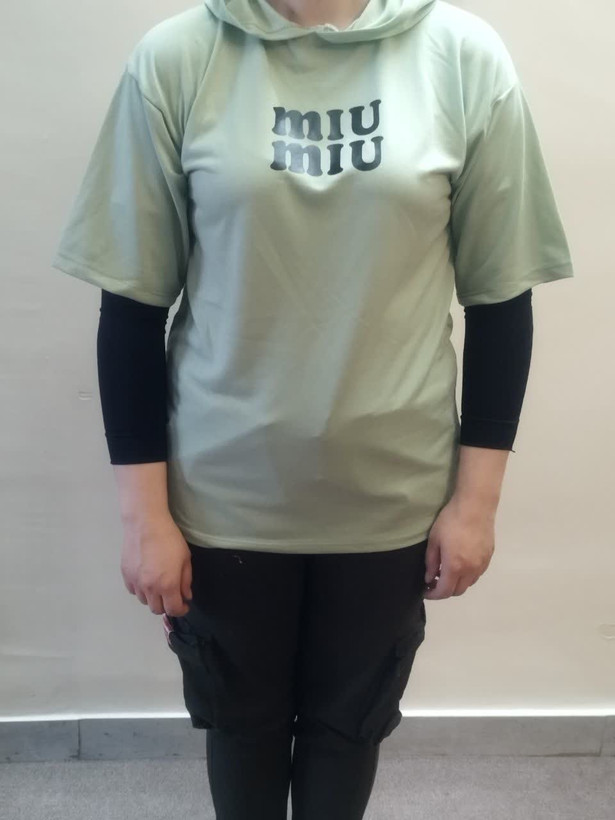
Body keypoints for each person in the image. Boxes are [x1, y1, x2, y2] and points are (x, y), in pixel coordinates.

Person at [50, 0, 575, 817]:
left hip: (390, 496)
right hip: (223, 497)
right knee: (241, 727)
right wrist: (142, 518)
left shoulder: (463, 59)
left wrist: (476, 505)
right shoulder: (177, 59)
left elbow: (502, 303)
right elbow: (131, 308)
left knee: (348, 730)